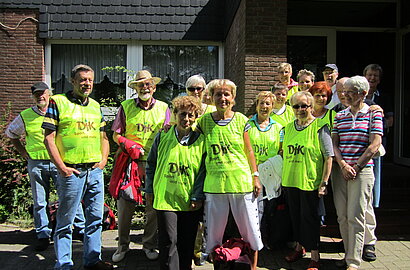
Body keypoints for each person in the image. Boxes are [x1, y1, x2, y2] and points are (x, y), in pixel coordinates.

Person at [42, 65, 112, 270]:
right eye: (82, 79)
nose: (87, 83)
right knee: (66, 222)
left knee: (95, 219)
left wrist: (103, 160)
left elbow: (104, 137)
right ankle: (64, 263)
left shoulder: (95, 106)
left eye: (90, 80)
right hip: (72, 173)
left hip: (94, 172)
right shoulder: (58, 102)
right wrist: (62, 167)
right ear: (72, 81)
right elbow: (48, 138)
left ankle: (92, 260)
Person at [5, 82, 85, 251]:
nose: (40, 97)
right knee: (40, 201)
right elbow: (11, 133)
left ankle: (80, 228)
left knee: (70, 196)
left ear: (50, 94)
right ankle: (43, 234)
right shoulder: (26, 116)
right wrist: (23, 152)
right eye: (36, 94)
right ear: (33, 97)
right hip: (37, 164)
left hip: (59, 162)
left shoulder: (59, 111)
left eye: (43, 93)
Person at [197, 79, 263, 270]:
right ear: (211, 97)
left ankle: (254, 266)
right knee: (214, 234)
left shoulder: (242, 120)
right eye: (218, 94)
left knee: (250, 229)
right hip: (214, 185)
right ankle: (218, 264)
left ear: (233, 97)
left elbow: (249, 151)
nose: (222, 98)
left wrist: (255, 175)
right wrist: (170, 125)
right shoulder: (204, 122)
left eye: (226, 94)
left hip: (241, 183)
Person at [110, 70, 170, 263]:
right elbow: (115, 134)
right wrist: (127, 144)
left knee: (152, 206)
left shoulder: (163, 107)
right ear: (135, 88)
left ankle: (149, 245)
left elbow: (169, 134)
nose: (145, 87)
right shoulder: (125, 107)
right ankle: (122, 245)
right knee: (125, 203)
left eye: (148, 84)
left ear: (154, 87)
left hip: (154, 163)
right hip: (130, 161)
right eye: (140, 84)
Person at [145, 95, 206, 270]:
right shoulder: (162, 137)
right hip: (165, 198)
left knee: (186, 242)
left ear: (196, 117)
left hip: (189, 200)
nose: (186, 119)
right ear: (175, 114)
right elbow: (151, 164)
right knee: (169, 241)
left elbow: (202, 172)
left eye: (191, 115)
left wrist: (197, 196)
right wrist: (149, 189)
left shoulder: (201, 141)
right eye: (182, 114)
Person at [331, 76, 383, 270]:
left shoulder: (373, 114)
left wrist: (357, 167)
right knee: (342, 216)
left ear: (363, 93)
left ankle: (354, 261)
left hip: (362, 172)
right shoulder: (340, 115)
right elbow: (335, 143)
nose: (346, 95)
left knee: (356, 216)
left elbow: (375, 143)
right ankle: (347, 254)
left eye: (351, 91)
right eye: (345, 91)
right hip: (341, 171)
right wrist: (343, 165)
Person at [280, 91, 333, 270]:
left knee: (309, 219)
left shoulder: (320, 127)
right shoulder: (287, 128)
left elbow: (329, 157)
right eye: (296, 106)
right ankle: (299, 247)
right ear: (291, 108)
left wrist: (324, 182)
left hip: (310, 183)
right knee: (295, 217)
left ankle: (315, 256)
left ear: (311, 106)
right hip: (291, 180)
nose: (300, 109)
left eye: (304, 106)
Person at [362, 64, 391, 262]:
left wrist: (377, 118)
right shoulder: (356, 98)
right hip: (354, 153)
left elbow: (390, 120)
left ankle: (369, 242)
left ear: (379, 79)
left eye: (375, 76)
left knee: (371, 193)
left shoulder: (383, 98)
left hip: (374, 149)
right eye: (369, 75)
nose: (372, 78)